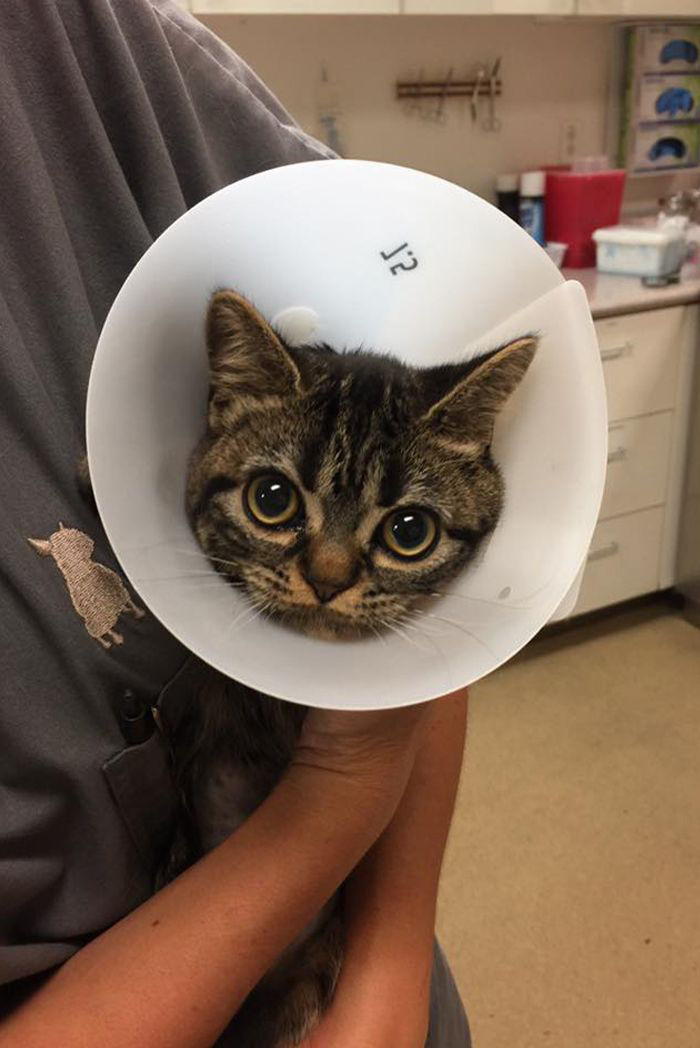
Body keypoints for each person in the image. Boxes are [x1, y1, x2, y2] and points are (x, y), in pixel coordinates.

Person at [0, 1, 471, 1044]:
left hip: (360, 964)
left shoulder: (90, 33)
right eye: (276, 504)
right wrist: (333, 800)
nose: (330, 572)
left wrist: (391, 962)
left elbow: (427, 328)